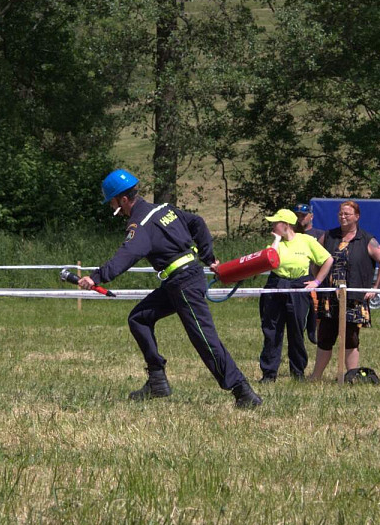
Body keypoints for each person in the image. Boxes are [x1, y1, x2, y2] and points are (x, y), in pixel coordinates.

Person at [78, 169, 263, 408]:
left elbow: (128, 254)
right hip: (180, 280)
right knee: (139, 318)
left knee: (204, 339)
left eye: (111, 202)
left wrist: (96, 278)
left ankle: (243, 392)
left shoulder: (140, 224)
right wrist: (209, 258)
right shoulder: (164, 210)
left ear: (122, 199)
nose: (112, 207)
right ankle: (157, 381)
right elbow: (197, 222)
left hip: (184, 283)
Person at [308, 200, 380, 381]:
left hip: (353, 297)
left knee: (351, 338)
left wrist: (376, 288)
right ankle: (315, 376)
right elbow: (315, 258)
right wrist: (318, 279)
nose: (343, 217)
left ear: (357, 217)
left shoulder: (366, 239)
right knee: (325, 336)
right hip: (329, 296)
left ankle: (352, 376)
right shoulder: (328, 236)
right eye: (340, 214)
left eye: (347, 214)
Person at [258, 208, 333, 382]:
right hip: (276, 284)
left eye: (275, 223)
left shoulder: (306, 240)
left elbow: (328, 260)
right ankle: (269, 374)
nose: (272, 226)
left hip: (299, 286)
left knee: (297, 330)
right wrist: (276, 241)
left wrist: (317, 281)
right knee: (272, 331)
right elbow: (269, 263)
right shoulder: (274, 244)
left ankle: (297, 372)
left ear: (286, 225)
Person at [293, 202, 326, 345]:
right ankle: (299, 335)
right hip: (298, 279)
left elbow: (325, 258)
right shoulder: (292, 235)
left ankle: (318, 335)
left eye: (303, 215)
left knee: (317, 310)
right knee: (298, 313)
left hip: (315, 280)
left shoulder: (320, 235)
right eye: (298, 215)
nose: (300, 218)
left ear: (311, 216)